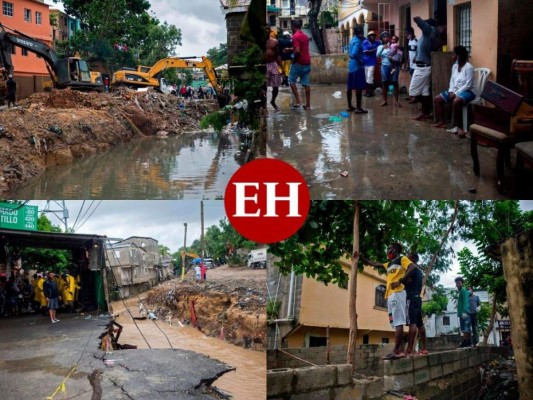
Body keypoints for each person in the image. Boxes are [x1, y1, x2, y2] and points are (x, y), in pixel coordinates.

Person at [362, 242, 416, 359]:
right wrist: (362, 257)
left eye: (389, 249)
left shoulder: (402, 259)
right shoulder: (389, 263)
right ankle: (400, 350)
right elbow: (375, 264)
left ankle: (397, 350)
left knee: (398, 322)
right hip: (391, 294)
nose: (387, 251)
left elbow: (412, 267)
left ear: (396, 249)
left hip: (398, 293)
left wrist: (400, 281)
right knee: (395, 321)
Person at [431, 46, 476, 138]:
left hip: (469, 91)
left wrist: (456, 93)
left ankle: (459, 127)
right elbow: (452, 80)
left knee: (456, 101)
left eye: (454, 54)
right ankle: (441, 122)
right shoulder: (455, 66)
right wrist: (451, 91)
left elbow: (468, 85)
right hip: (455, 90)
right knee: (437, 99)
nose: (453, 56)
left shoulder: (469, 68)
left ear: (459, 56)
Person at [409, 17, 438, 121]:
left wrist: (417, 20)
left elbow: (422, 24)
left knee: (412, 92)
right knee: (425, 92)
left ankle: (425, 112)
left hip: (422, 68)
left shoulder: (429, 31)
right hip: (424, 67)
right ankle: (425, 114)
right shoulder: (429, 34)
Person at [404, 253, 428, 356]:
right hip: (418, 298)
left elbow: (404, 281)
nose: (406, 258)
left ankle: (409, 350)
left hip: (410, 298)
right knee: (420, 324)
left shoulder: (411, 269)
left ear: (413, 259)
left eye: (408, 257)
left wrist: (403, 280)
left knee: (412, 323)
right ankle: (424, 348)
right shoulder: (419, 272)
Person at [287, 19, 311, 110]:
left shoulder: (295, 36)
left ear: (293, 27)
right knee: (306, 84)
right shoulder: (304, 36)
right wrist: (289, 49)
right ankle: (308, 105)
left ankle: (298, 101)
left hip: (299, 63)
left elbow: (297, 51)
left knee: (291, 80)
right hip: (307, 62)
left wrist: (294, 61)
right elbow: (300, 48)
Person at [377, 33, 402, 107]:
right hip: (384, 66)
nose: (386, 38)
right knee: (385, 83)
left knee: (395, 83)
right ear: (381, 38)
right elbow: (377, 55)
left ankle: (396, 101)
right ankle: (385, 100)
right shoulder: (380, 46)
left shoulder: (393, 45)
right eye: (384, 37)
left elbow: (399, 54)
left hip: (394, 66)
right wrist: (383, 48)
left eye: (387, 36)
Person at [346, 26, 368, 113]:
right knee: (359, 87)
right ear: (358, 33)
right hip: (357, 66)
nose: (362, 35)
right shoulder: (358, 42)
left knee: (350, 87)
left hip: (351, 66)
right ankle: (358, 108)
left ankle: (350, 106)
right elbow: (355, 53)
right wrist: (361, 60)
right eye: (361, 33)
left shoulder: (352, 40)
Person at [266, 29, 282, 112]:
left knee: (276, 86)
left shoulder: (274, 42)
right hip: (264, 65)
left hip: (273, 64)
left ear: (269, 32)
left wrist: (282, 68)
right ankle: (263, 105)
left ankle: (273, 101)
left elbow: (278, 55)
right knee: (263, 87)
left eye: (266, 30)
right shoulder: (259, 42)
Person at [362, 31, 380, 97]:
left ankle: (370, 92)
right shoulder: (365, 42)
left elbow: (382, 44)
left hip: (372, 62)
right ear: (368, 37)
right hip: (365, 62)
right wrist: (376, 49)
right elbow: (366, 52)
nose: (373, 37)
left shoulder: (377, 42)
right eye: (371, 35)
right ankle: (367, 91)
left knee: (370, 76)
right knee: (367, 77)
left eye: (374, 36)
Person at [455, 277, 472, 348]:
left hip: (464, 313)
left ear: (462, 283)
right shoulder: (462, 291)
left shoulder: (463, 290)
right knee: (466, 328)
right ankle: (468, 343)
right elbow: (468, 294)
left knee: (465, 329)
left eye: (459, 283)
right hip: (463, 313)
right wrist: (469, 291)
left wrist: (464, 312)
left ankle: (466, 343)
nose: (457, 284)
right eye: (456, 283)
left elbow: (465, 301)